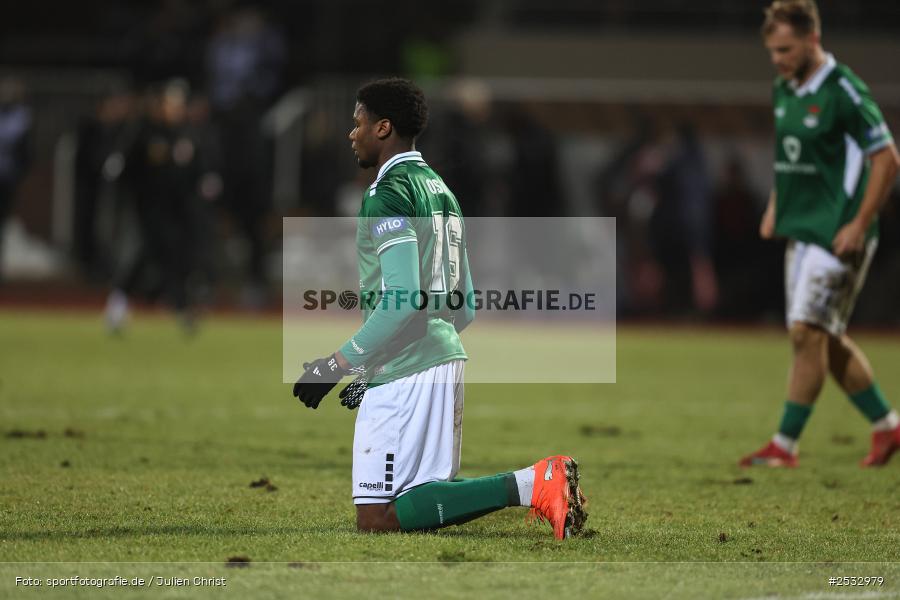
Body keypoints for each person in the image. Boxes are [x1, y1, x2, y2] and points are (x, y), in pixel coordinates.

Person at [291, 78, 587, 537]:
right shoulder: (441, 190)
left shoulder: (387, 193)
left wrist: (337, 365)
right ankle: (534, 484)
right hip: (438, 356)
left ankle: (533, 483)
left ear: (383, 128)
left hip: (408, 366)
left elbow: (404, 297)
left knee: (377, 517)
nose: (353, 133)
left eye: (359, 123)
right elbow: (463, 305)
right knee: (410, 501)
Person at [741, 0, 900, 468]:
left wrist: (858, 222)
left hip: (839, 234)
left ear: (813, 39)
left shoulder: (844, 90)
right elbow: (791, 156)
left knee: (806, 332)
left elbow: (887, 159)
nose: (778, 59)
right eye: (772, 51)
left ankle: (783, 447)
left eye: (786, 49)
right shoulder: (783, 87)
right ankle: (888, 427)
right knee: (823, 338)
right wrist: (775, 205)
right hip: (801, 230)